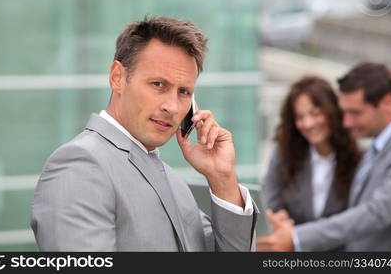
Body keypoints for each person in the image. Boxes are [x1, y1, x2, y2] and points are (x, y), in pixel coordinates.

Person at [31, 16, 258, 251]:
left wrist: (223, 180)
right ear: (117, 77)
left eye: (183, 91)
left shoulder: (172, 181)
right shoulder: (79, 165)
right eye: (158, 84)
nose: (171, 106)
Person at [259, 62, 391, 251]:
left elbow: (376, 212)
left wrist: (296, 237)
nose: (347, 122)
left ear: (386, 102)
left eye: (355, 113)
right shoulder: (378, 148)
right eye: (345, 113)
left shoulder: (369, 152)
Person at [256, 76, 361, 251]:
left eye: (315, 113)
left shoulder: (359, 158)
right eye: (300, 117)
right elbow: (270, 206)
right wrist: (276, 220)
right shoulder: (284, 155)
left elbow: (358, 221)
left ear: (332, 111)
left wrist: (297, 236)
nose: (308, 124)